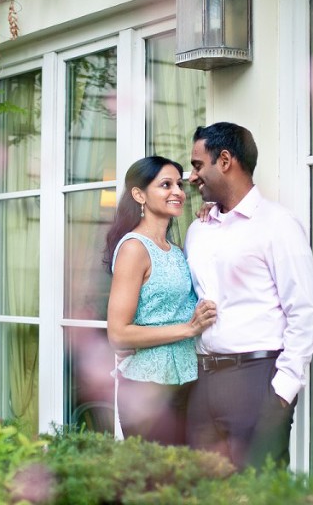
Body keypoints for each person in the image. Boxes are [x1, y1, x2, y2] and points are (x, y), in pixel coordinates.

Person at [183, 122, 313, 469]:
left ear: (225, 160)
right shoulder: (198, 229)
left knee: (258, 491)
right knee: (200, 491)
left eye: (198, 165)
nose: (191, 176)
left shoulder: (278, 225)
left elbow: (303, 312)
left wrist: (281, 394)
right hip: (202, 382)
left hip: (257, 379)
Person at [104, 156, 217, 446]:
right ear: (139, 194)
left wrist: (213, 212)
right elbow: (118, 334)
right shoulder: (134, 248)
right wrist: (188, 329)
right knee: (154, 483)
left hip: (185, 381)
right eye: (165, 185)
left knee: (182, 483)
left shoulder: (176, 250)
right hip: (147, 389)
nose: (177, 192)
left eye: (179, 184)